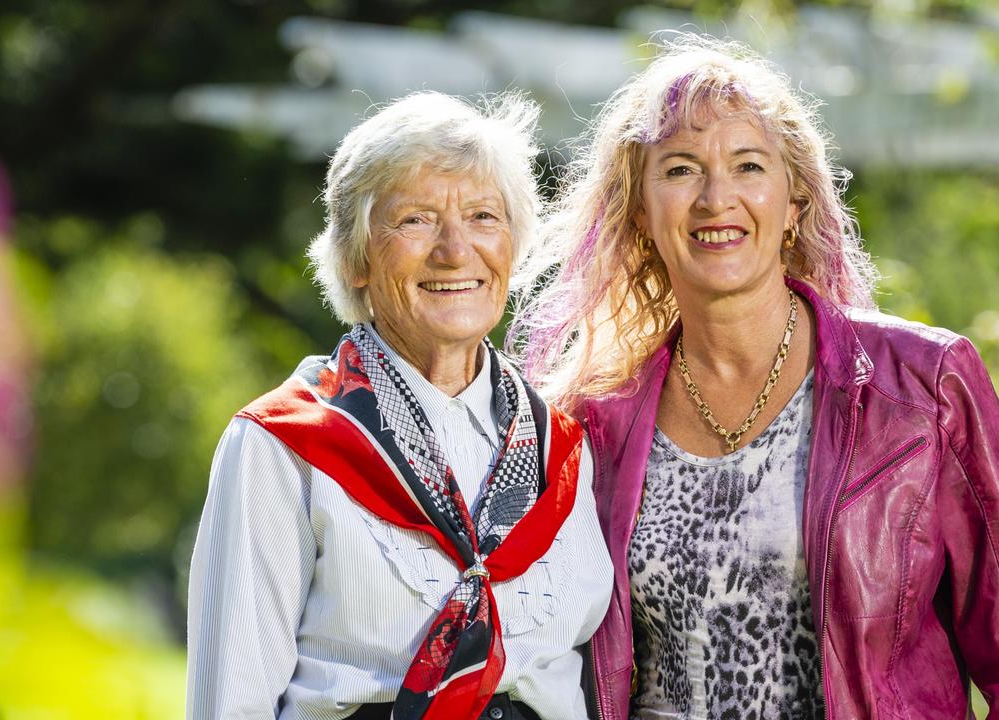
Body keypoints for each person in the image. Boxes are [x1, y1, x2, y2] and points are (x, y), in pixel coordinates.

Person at [510, 37, 999, 719]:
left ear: (794, 201)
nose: (717, 198)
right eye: (680, 170)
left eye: (747, 166)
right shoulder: (589, 423)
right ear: (643, 214)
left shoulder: (923, 386)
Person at [186, 91, 612, 720]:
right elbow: (232, 702)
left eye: (483, 217)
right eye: (415, 219)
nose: (454, 249)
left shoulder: (561, 449)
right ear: (357, 258)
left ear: (513, 246)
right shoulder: (284, 445)